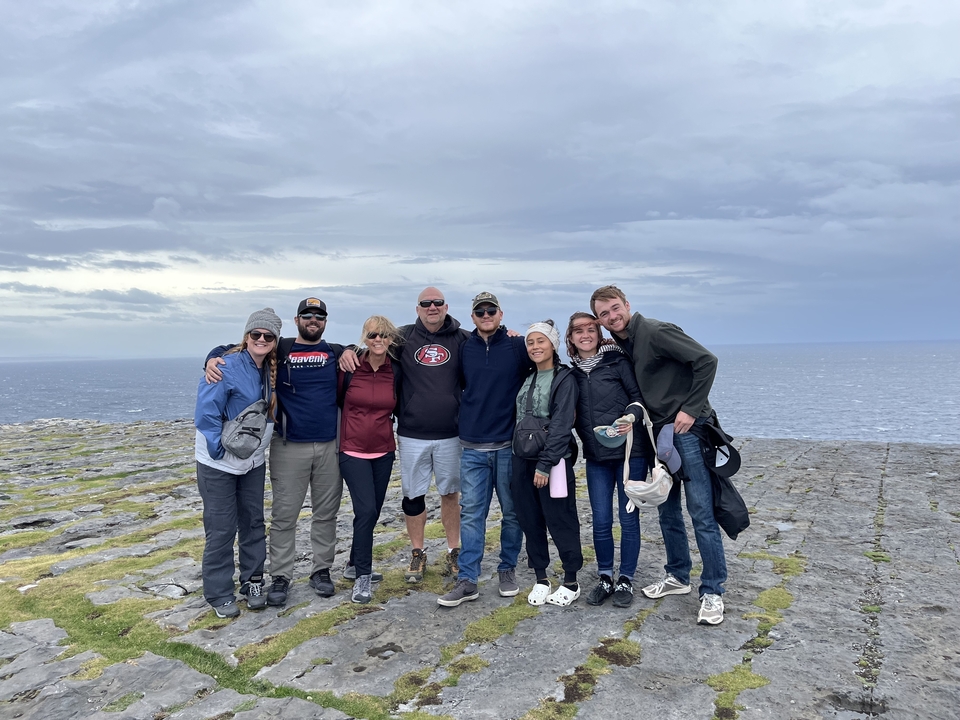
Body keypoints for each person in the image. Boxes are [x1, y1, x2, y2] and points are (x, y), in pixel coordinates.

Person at [590, 285, 727, 625]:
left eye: (615, 308)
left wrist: (691, 409)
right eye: (604, 313)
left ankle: (712, 591)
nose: (612, 316)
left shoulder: (654, 331)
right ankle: (678, 575)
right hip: (658, 435)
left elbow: (706, 361)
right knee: (667, 509)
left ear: (627, 304)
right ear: (600, 320)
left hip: (687, 430)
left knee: (701, 511)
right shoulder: (623, 343)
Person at [205, 297, 344, 606]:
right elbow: (236, 347)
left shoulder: (336, 352)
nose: (313, 319)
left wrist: (350, 350)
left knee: (326, 514)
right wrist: (212, 358)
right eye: (306, 315)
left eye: (319, 316)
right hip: (288, 445)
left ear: (325, 321)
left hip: (330, 446)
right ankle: (281, 575)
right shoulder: (280, 348)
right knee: (284, 516)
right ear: (296, 320)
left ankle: (321, 570)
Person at [339, 287, 468, 585]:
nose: (432, 307)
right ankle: (417, 552)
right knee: (413, 495)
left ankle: (454, 551)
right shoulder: (403, 337)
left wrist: (510, 334)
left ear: (446, 306)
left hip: (451, 433)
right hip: (411, 434)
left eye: (437, 302)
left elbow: (489, 348)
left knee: (450, 493)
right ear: (417, 308)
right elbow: (374, 341)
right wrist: (346, 348)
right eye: (426, 303)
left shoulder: (462, 338)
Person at [438, 292, 531, 607]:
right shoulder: (465, 348)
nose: (486, 315)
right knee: (472, 514)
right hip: (472, 447)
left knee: (512, 512)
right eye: (480, 311)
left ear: (501, 314)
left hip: (508, 446)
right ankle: (468, 580)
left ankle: (507, 568)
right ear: (473, 317)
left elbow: (543, 366)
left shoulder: (517, 346)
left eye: (491, 310)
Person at [194, 308, 280, 618]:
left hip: (252, 463)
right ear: (246, 336)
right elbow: (206, 412)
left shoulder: (271, 368)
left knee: (253, 522)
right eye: (256, 333)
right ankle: (219, 593)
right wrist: (219, 451)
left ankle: (253, 581)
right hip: (217, 464)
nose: (261, 339)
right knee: (221, 528)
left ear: (275, 341)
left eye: (268, 335)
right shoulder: (225, 366)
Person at [566, 312, 652, 608]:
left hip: (630, 454)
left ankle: (625, 579)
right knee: (601, 520)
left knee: (628, 520)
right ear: (571, 337)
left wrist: (631, 416)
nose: (585, 335)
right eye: (578, 330)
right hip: (596, 457)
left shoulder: (617, 362)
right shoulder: (571, 374)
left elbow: (638, 398)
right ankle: (605, 577)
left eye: (591, 329)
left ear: (599, 333)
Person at [511, 320, 582, 607]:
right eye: (530, 342)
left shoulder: (564, 379)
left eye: (541, 341)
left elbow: (563, 424)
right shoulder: (526, 376)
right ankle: (541, 578)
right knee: (530, 519)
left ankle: (571, 580)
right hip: (521, 458)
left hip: (554, 462)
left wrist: (545, 465)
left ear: (553, 345)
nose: (535, 347)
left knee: (561, 519)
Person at [338, 316, 401, 604]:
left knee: (372, 512)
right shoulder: (350, 367)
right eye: (373, 335)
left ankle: (353, 564)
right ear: (365, 337)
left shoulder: (395, 369)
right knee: (365, 511)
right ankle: (363, 576)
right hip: (352, 451)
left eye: (384, 335)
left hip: (384, 451)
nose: (379, 340)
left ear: (391, 339)